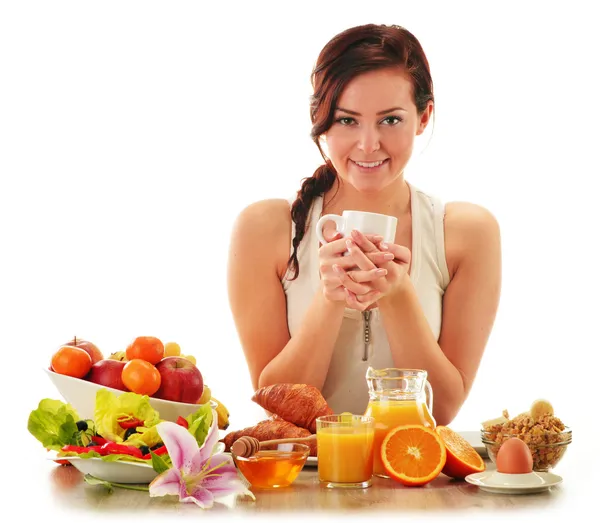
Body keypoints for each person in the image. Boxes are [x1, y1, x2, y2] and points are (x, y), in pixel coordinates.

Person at [227, 23, 501, 426]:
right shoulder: (264, 229)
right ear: (320, 119)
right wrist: (330, 297)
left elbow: (440, 410)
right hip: (301, 483)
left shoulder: (466, 233)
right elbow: (278, 410)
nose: (369, 144)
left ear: (423, 117)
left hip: (411, 478)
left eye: (390, 120)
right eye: (347, 120)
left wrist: (398, 294)